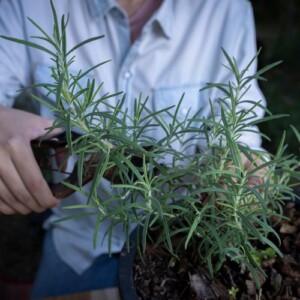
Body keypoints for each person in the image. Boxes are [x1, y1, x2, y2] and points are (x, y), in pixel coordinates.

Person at [0, 0, 266, 298]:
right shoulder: (24, 5)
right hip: (79, 243)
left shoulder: (225, 8)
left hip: (181, 243)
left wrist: (241, 167)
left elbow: (238, 129)